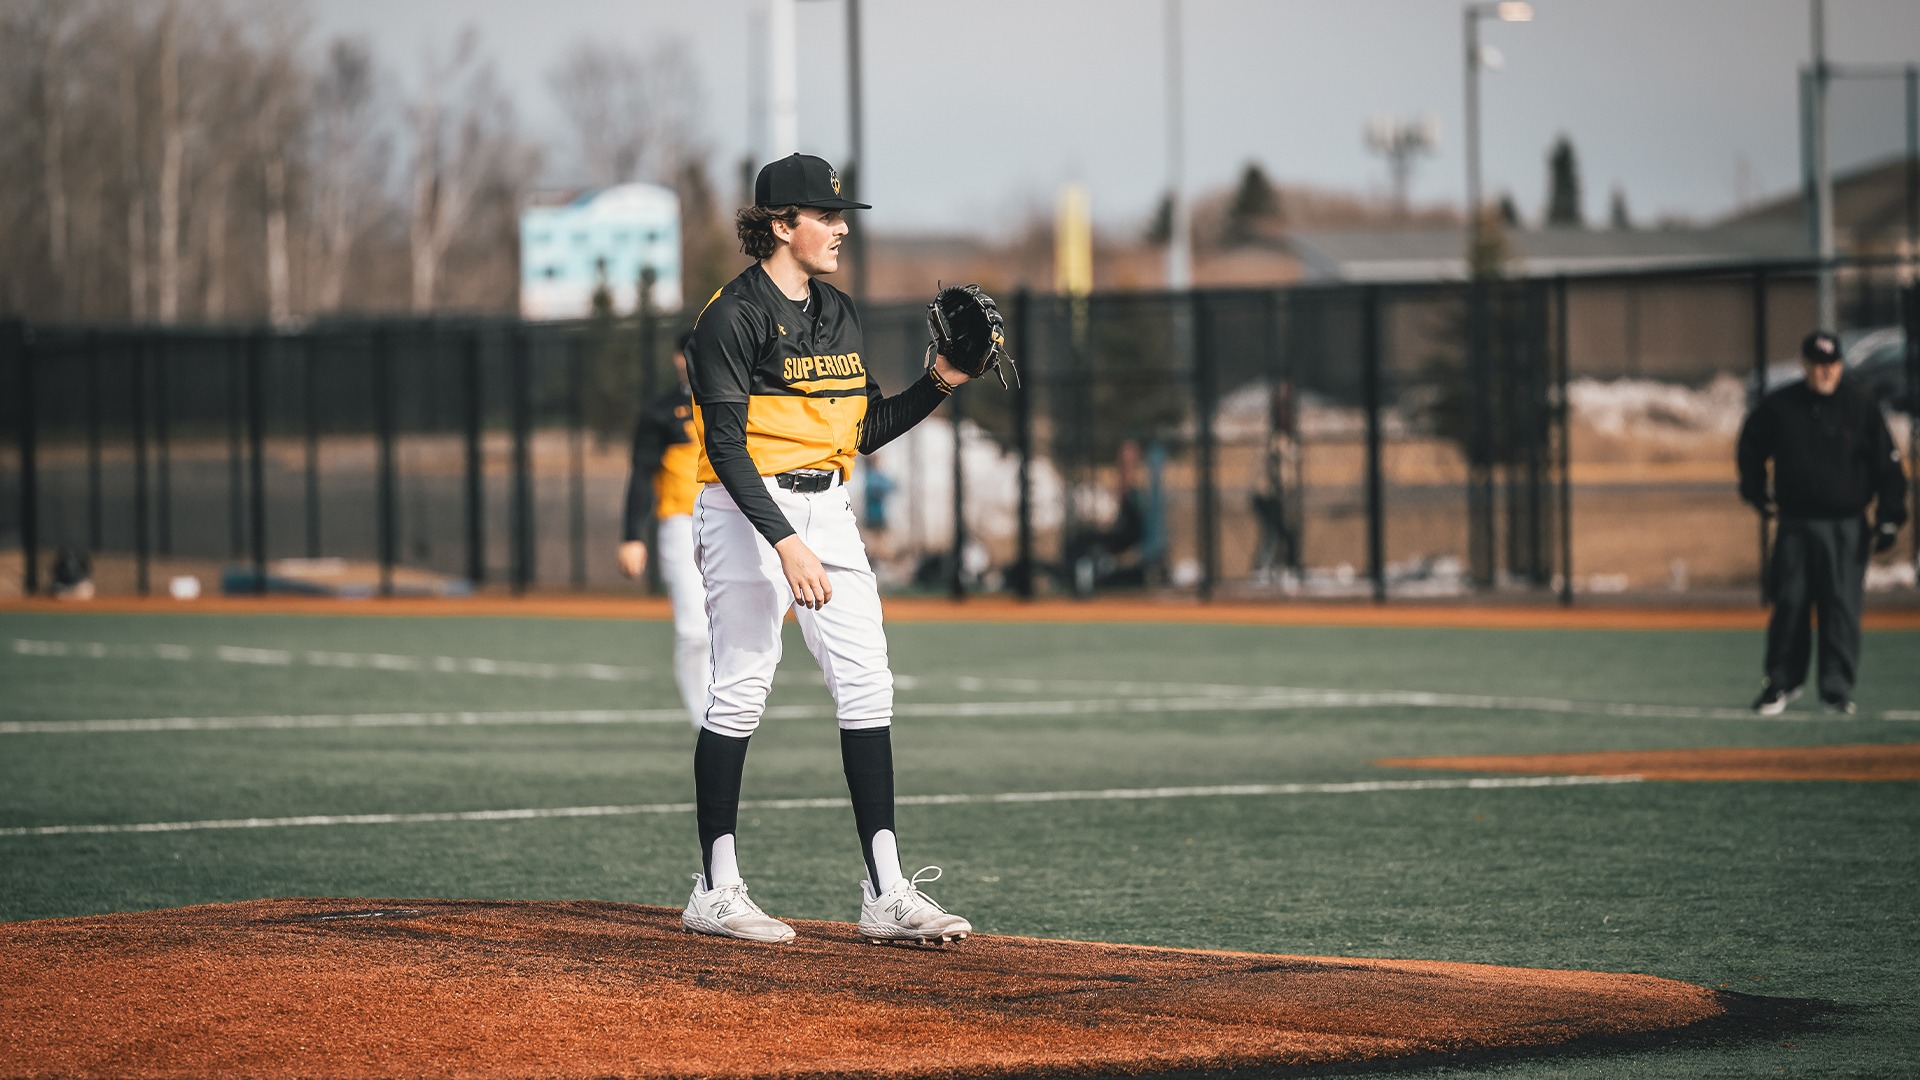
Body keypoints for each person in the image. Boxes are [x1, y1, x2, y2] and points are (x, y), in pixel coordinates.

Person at [680, 153, 978, 945]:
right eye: (827, 216)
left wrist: (942, 381)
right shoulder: (731, 315)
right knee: (742, 688)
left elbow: (864, 429)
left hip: (830, 510)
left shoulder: (839, 311)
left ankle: (885, 892)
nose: (843, 228)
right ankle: (715, 889)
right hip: (745, 510)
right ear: (782, 225)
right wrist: (783, 541)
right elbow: (725, 445)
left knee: (868, 686)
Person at [1737, 329, 1907, 715]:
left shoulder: (1860, 406)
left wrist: (1889, 517)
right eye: (1817, 364)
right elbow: (1750, 446)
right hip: (1796, 525)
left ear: (1841, 366)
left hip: (1846, 526)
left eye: (1831, 364)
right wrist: (1755, 489)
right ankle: (1781, 682)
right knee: (1790, 603)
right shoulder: (1782, 405)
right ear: (1805, 365)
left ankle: (1835, 689)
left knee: (1841, 607)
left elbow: (1888, 465)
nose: (1825, 372)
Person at [619, 331, 706, 729]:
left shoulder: (745, 401)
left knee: (739, 629)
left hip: (738, 524)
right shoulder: (661, 411)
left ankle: (732, 714)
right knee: (694, 630)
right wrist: (632, 535)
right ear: (676, 358)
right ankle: (706, 722)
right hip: (682, 524)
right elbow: (641, 474)